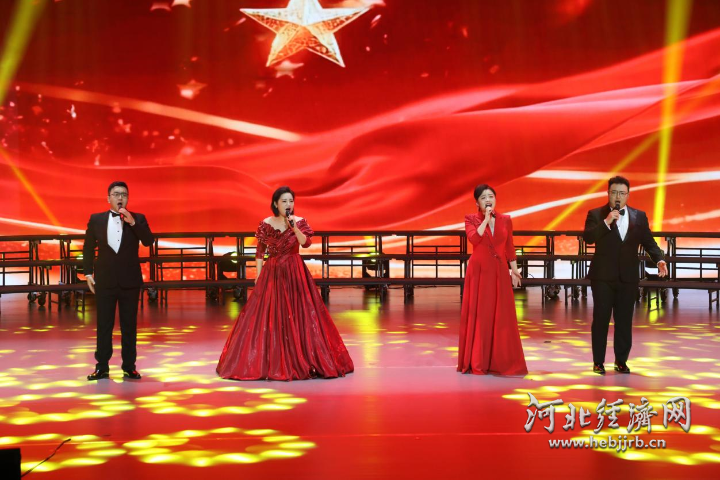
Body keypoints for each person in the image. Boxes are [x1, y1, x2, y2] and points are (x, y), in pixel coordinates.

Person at [217, 186, 354, 381]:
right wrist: (258, 274)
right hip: (272, 272)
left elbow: (306, 243)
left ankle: (301, 357)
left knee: (300, 312)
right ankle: (272, 360)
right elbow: (260, 252)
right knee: (270, 313)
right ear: (275, 204)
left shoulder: (299, 221)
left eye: (291, 201)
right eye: (284, 201)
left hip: (294, 271)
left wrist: (294, 228)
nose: (288, 204)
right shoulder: (266, 223)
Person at [583, 176, 667, 375]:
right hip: (603, 277)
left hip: (628, 277)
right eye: (614, 192)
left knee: (624, 320)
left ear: (628, 195)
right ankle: (598, 362)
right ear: (608, 193)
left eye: (621, 193)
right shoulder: (596, 214)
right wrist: (607, 221)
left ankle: (621, 361)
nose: (617, 196)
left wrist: (659, 260)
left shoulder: (639, 216)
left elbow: (648, 242)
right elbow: (588, 238)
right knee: (601, 319)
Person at [83, 181, 153, 381]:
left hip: (129, 281)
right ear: (108, 198)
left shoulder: (138, 218)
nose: (120, 197)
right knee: (104, 325)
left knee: (129, 326)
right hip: (105, 280)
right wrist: (88, 274)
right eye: (116, 194)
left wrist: (133, 223)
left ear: (128, 198)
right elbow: (88, 247)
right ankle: (102, 367)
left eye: (124, 194)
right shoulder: (96, 219)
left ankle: (129, 366)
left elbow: (148, 241)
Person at [458, 184, 527, 376]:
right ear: (477, 203)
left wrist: (514, 270)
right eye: (483, 198)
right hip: (479, 272)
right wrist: (486, 220)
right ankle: (478, 361)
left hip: (499, 271)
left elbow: (509, 246)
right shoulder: (471, 219)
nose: (488, 200)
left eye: (491, 196)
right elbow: (474, 239)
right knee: (482, 315)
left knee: (501, 316)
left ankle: (501, 360)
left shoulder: (505, 220)